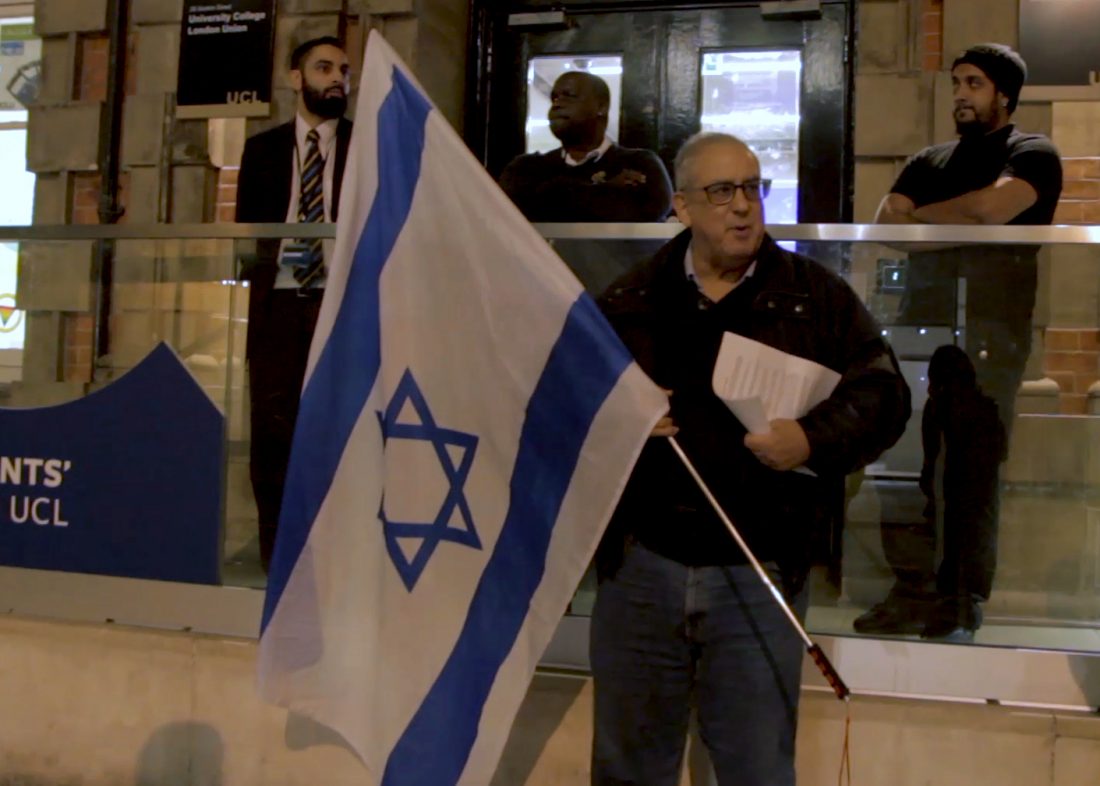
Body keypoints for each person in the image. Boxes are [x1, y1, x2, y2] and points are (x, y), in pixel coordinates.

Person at [591, 132, 910, 786]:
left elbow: (885, 395)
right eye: (722, 192)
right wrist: (619, 418)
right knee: (629, 768)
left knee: (756, 769)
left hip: (760, 568)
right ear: (682, 207)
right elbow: (566, 409)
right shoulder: (631, 299)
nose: (743, 207)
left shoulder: (814, 297)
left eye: (752, 187)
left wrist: (813, 438)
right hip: (643, 569)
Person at [858, 42, 1062, 640]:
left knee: (972, 470)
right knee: (906, 467)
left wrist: (933, 223)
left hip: (991, 333)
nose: (961, 95)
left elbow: (988, 214)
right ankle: (912, 589)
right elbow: (884, 225)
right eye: (956, 84)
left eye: (974, 83)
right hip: (921, 327)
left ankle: (961, 598)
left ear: (1004, 93)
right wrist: (961, 221)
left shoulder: (1033, 153)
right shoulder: (929, 157)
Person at [236, 36, 352, 571]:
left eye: (344, 71)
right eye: (324, 68)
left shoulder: (366, 145)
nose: (337, 79)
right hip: (279, 307)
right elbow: (245, 240)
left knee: (340, 432)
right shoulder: (261, 150)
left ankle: (336, 556)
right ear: (295, 77)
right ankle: (277, 558)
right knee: (273, 438)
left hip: (342, 305)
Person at [498, 71, 673, 222]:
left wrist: (554, 193)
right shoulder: (526, 167)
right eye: (555, 98)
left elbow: (647, 212)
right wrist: (605, 189)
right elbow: (509, 212)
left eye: (569, 96)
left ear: (601, 107)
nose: (557, 104)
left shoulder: (640, 163)